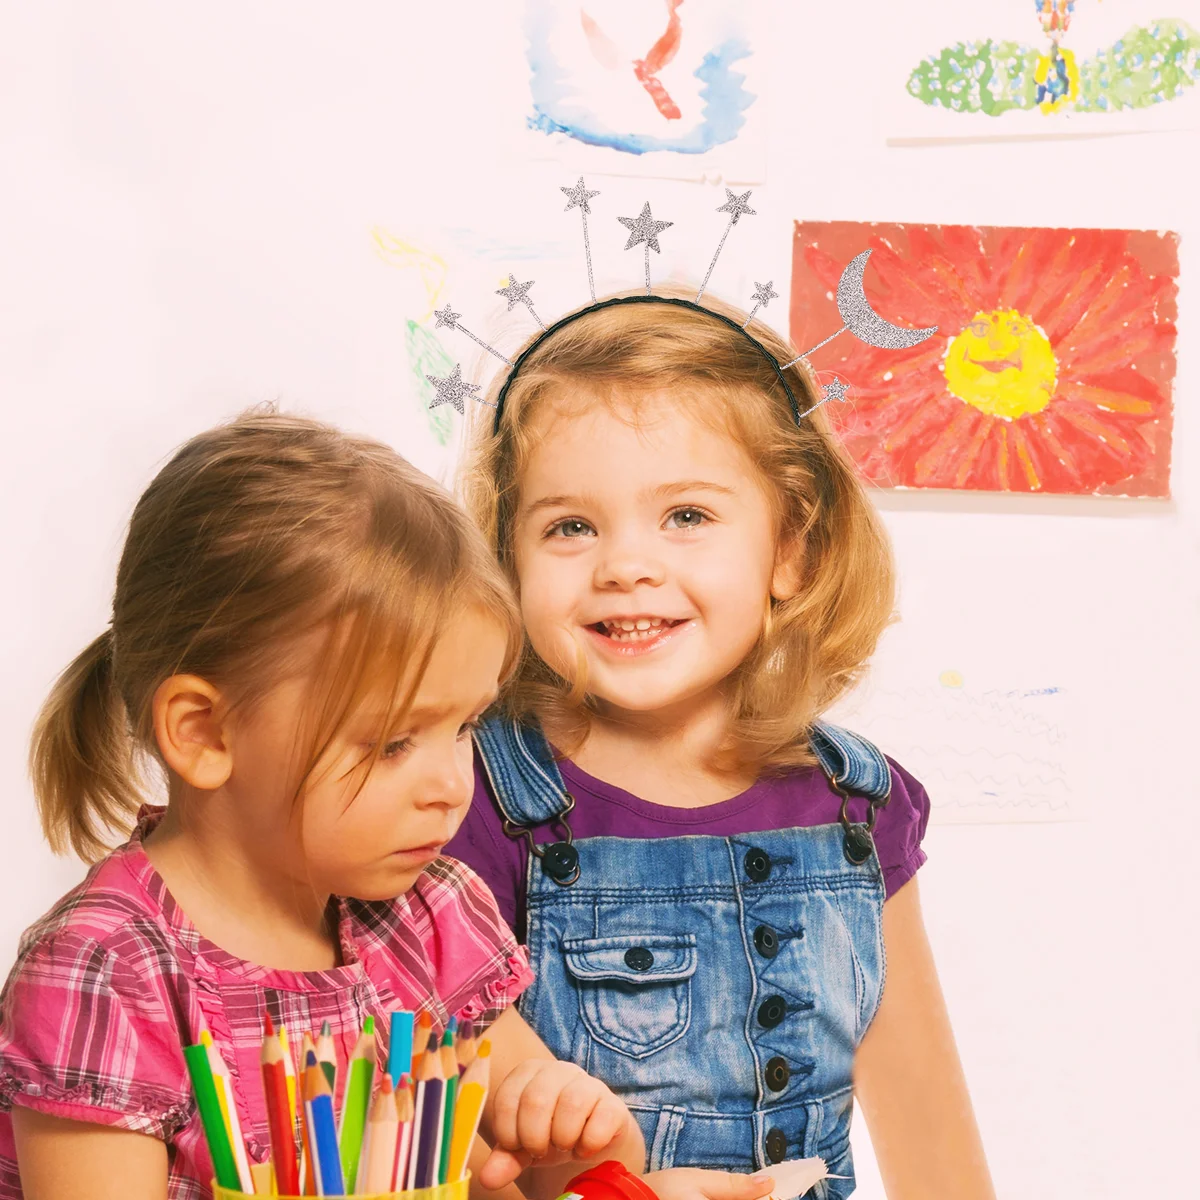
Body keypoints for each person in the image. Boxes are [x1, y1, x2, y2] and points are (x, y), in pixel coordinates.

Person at [0, 411, 657, 1200]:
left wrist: (586, 1134)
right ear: (206, 732)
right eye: (390, 743)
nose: (452, 785)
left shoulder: (431, 916)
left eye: (463, 726)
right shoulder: (110, 974)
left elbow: (539, 1180)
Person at [447, 288, 997, 1199]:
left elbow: (928, 1119)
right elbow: (464, 1145)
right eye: (570, 526)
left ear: (793, 550)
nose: (626, 564)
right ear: (509, 557)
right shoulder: (477, 799)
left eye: (688, 516)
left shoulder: (857, 803)